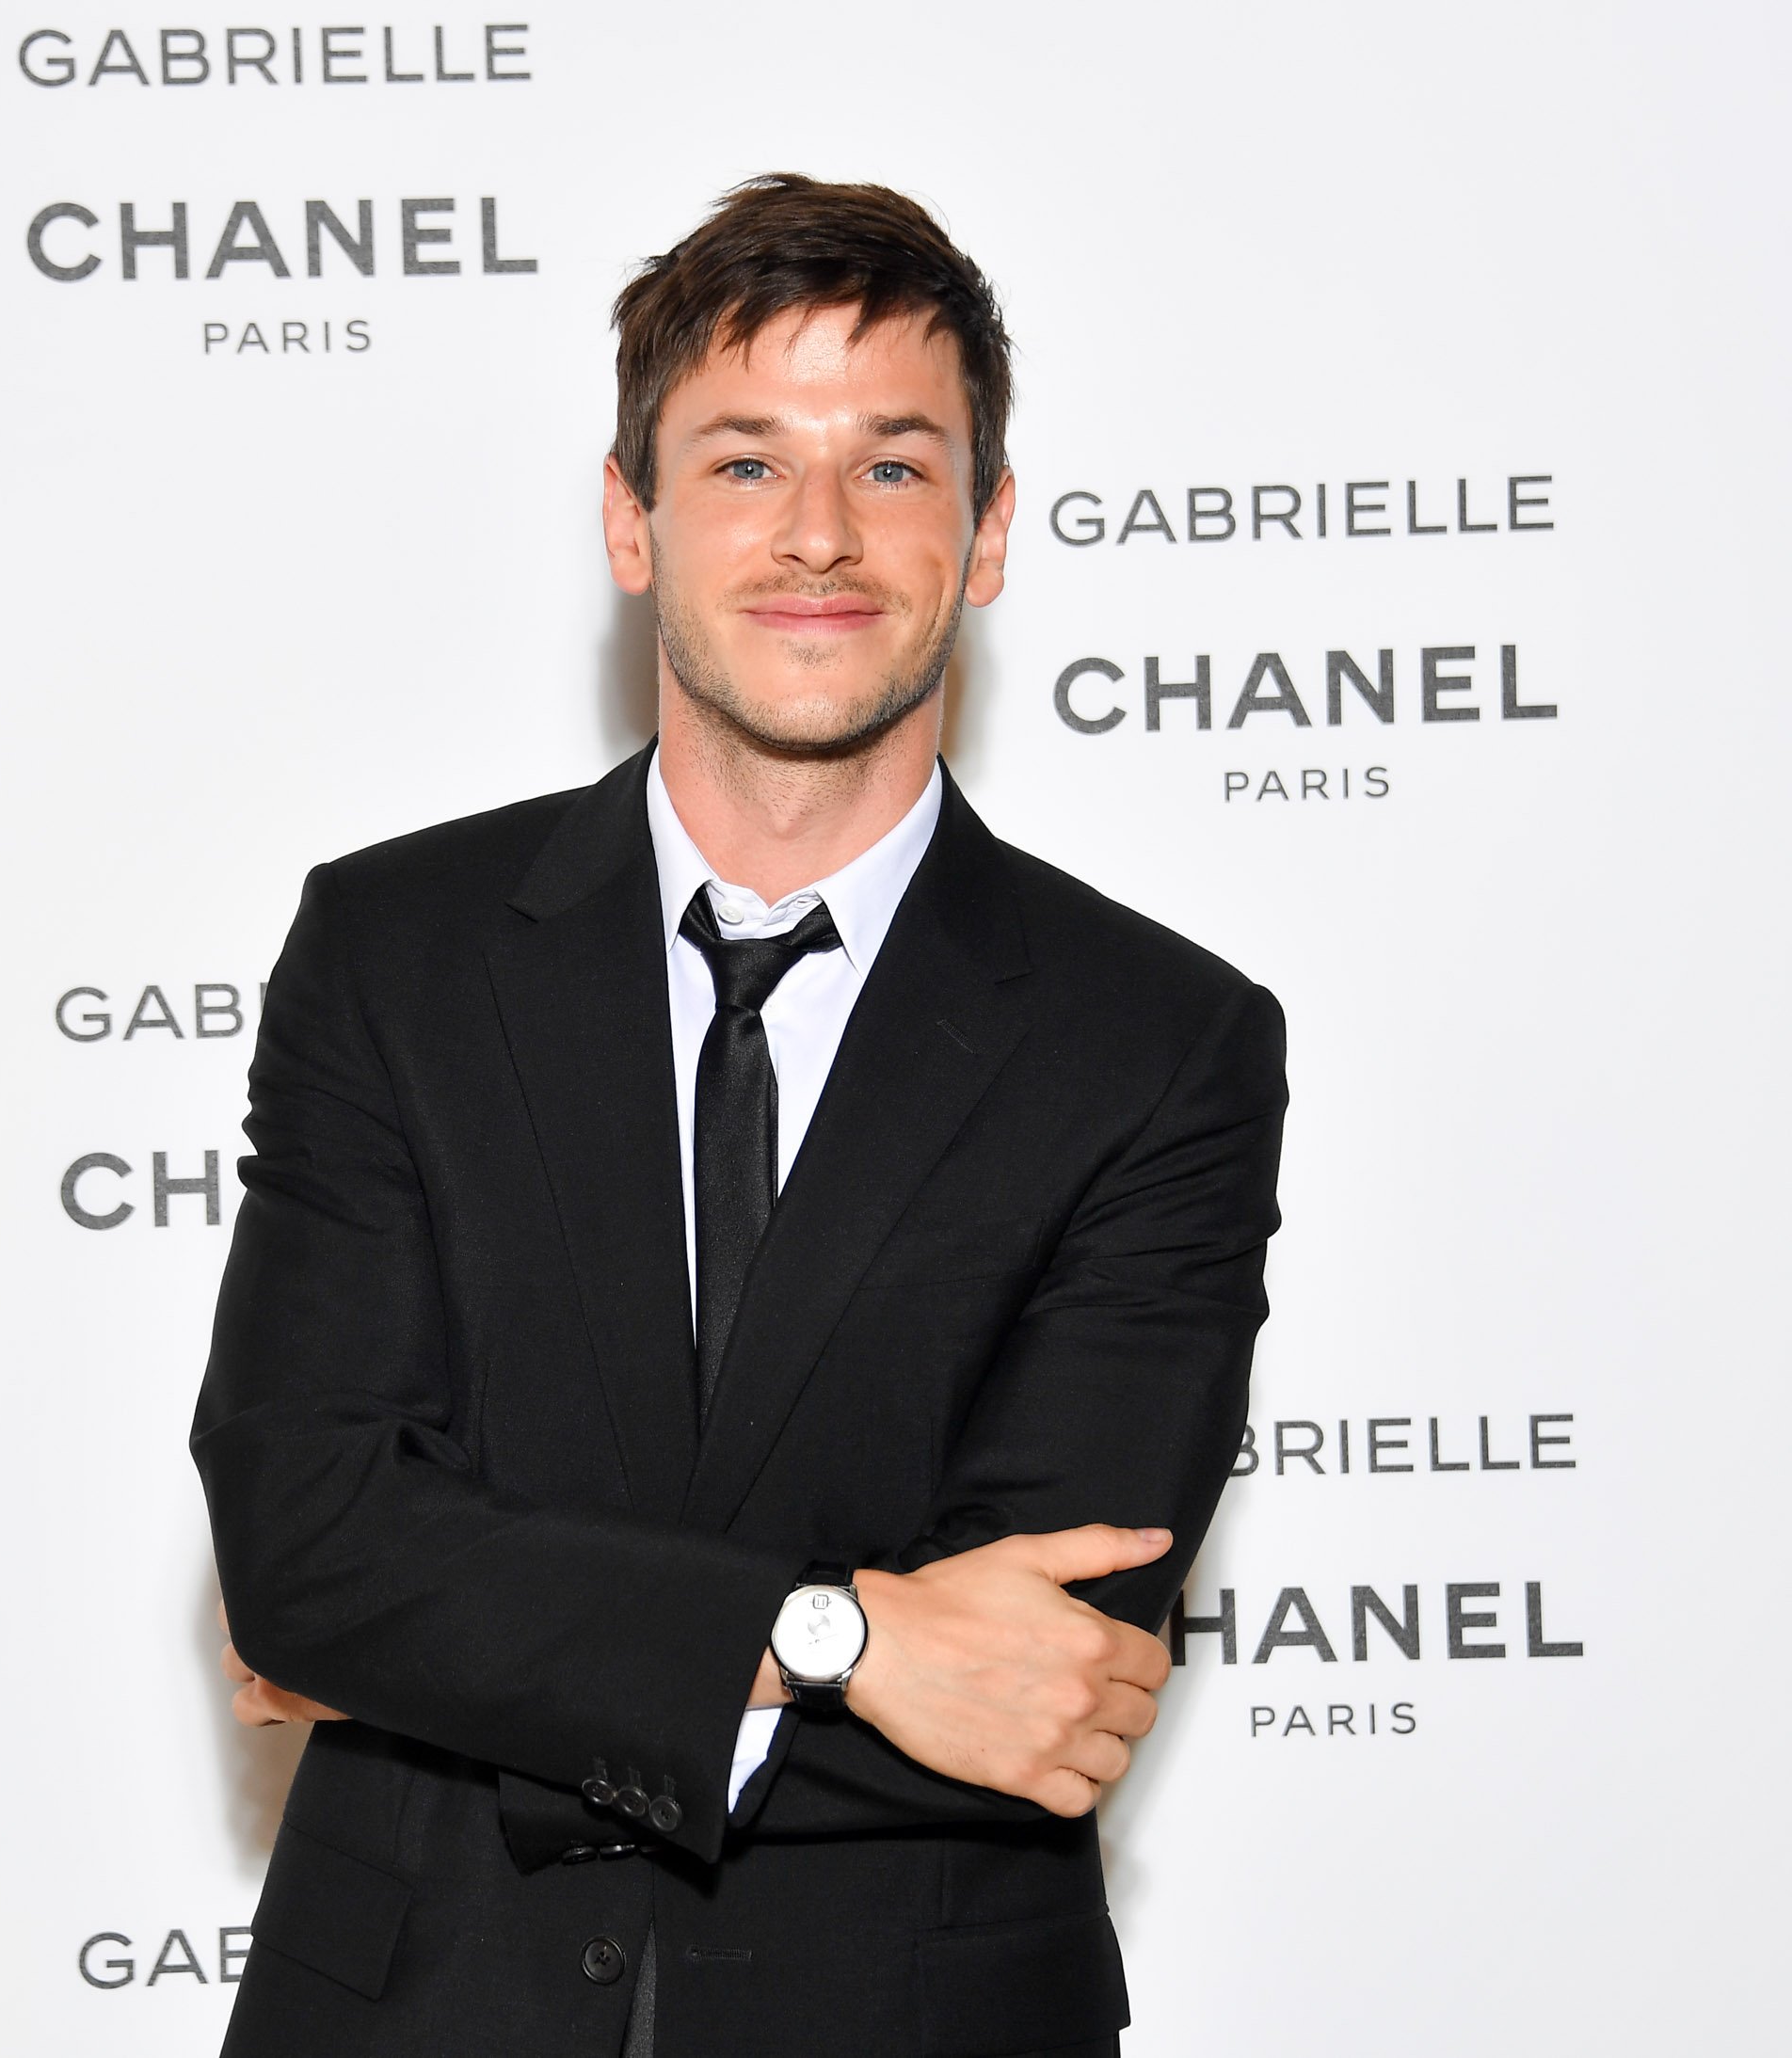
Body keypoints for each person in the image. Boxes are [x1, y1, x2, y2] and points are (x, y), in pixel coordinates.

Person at [192, 173, 1287, 2058]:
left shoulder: (1159, 1043)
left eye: (889, 467)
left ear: (989, 527)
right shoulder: (394, 953)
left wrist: (446, 1653)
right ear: (629, 521)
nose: (815, 535)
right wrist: (845, 1637)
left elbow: (1036, 1688)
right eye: (740, 462)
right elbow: (301, 1552)